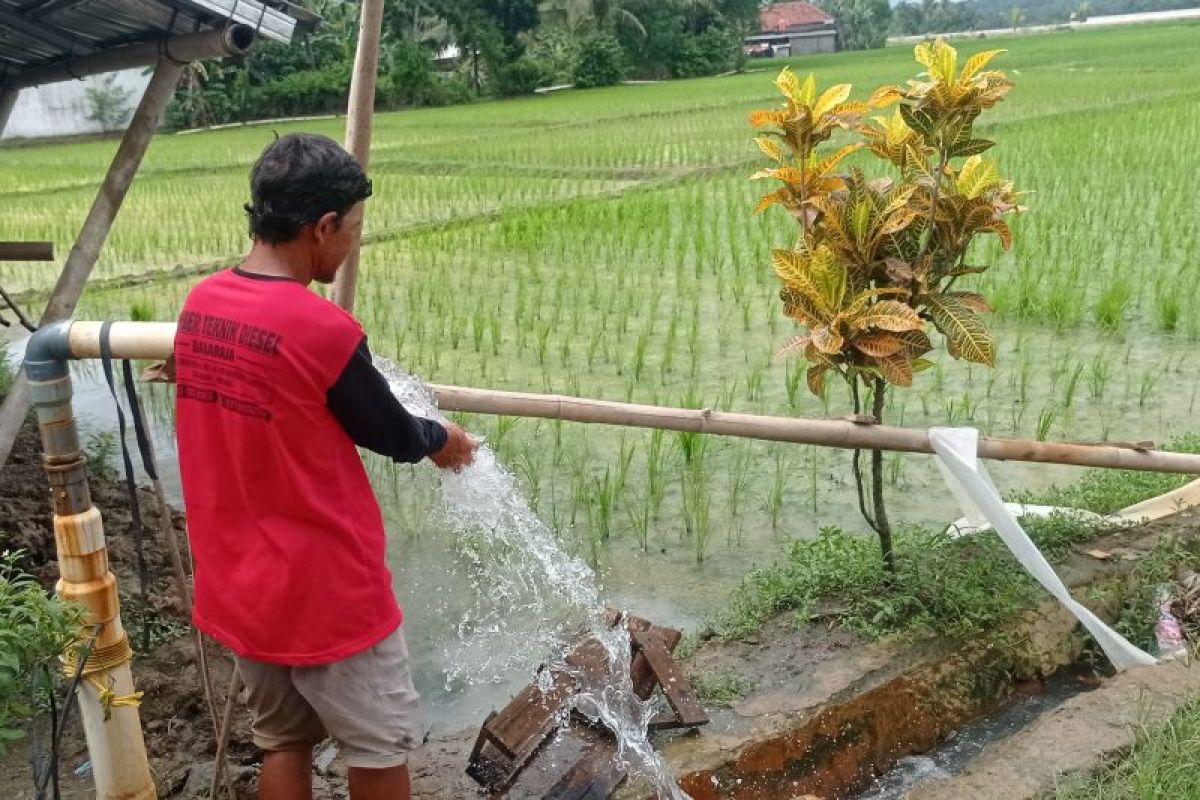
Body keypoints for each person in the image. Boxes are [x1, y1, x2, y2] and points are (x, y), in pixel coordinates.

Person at [174, 132, 476, 800]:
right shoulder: (321, 329)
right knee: (376, 746)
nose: (352, 245)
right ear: (324, 226)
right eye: (355, 229)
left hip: (240, 586)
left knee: (283, 739)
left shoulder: (201, 306)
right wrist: (444, 439)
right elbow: (392, 432)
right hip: (326, 596)